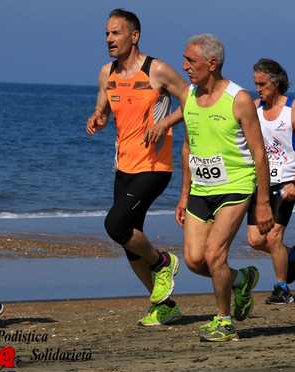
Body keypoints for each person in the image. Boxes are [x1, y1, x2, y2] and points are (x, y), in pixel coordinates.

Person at [86, 9, 188, 326]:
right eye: (106, 34)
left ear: (135, 35)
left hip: (155, 166)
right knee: (129, 240)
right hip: (124, 166)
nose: (109, 40)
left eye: (116, 33)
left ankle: (164, 261)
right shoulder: (107, 73)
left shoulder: (156, 70)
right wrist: (97, 118)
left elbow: (192, 100)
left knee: (115, 225)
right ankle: (164, 304)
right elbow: (103, 107)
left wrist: (166, 123)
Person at [175, 34, 274, 342]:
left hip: (235, 185)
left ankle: (224, 321)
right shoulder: (189, 96)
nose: (185, 66)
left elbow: (259, 153)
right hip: (201, 189)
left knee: (215, 254)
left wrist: (262, 203)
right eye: (185, 60)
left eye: (191, 61)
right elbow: (188, 148)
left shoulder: (239, 98)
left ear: (212, 63)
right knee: (194, 260)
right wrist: (183, 194)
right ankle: (241, 279)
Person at [247, 59, 295, 304]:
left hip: (286, 181)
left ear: (276, 82)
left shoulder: (294, 109)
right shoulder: (253, 108)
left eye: (262, 84)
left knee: (274, 237)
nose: (258, 89)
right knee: (255, 240)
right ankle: (292, 255)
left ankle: (281, 288)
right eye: (255, 84)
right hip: (260, 182)